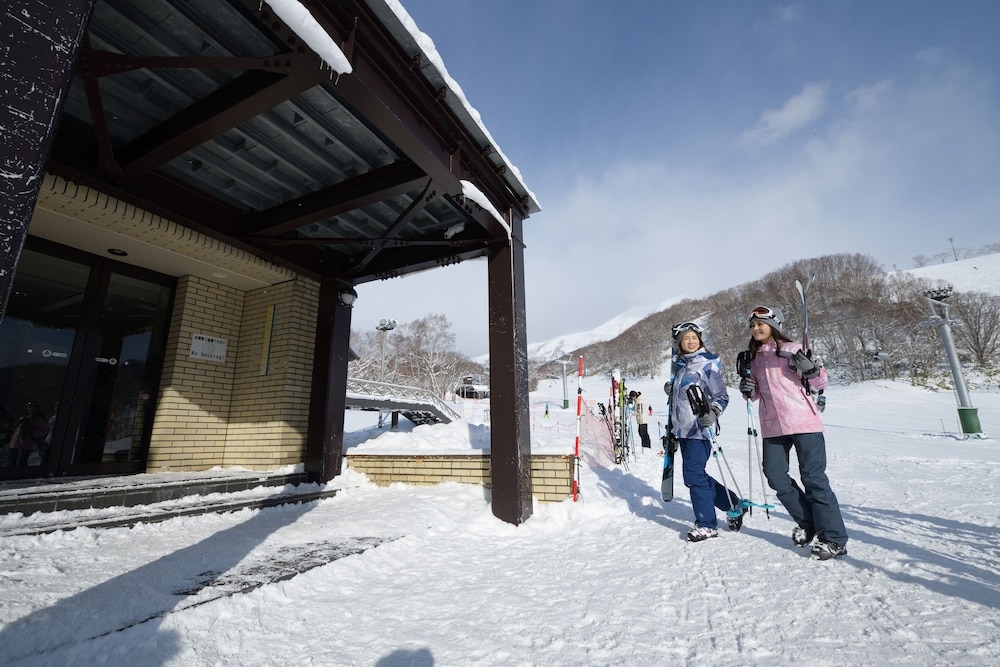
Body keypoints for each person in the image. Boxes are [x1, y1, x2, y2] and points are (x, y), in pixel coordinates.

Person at [739, 306, 849, 561]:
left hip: (804, 422)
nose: (756, 328)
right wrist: (747, 388)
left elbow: (820, 383)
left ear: (773, 325)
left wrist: (811, 370)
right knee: (775, 476)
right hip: (772, 426)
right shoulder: (754, 359)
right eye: (753, 325)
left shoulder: (792, 349)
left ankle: (834, 538)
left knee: (814, 479)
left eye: (761, 323)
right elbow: (753, 395)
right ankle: (808, 522)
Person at [666, 322, 740, 542]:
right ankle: (732, 503)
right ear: (679, 343)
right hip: (683, 431)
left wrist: (714, 412)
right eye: (686, 338)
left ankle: (707, 524)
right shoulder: (681, 367)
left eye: (694, 337)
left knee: (694, 475)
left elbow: (722, 396)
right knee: (696, 475)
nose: (691, 341)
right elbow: (680, 402)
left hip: (700, 429)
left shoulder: (707, 364)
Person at [8, 400, 49, 467]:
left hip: (26, 444)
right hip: (15, 443)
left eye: (32, 408)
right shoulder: (23, 418)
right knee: (11, 463)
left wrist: (33, 433)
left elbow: (44, 430)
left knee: (21, 463)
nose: (30, 409)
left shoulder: (38, 419)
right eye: (29, 407)